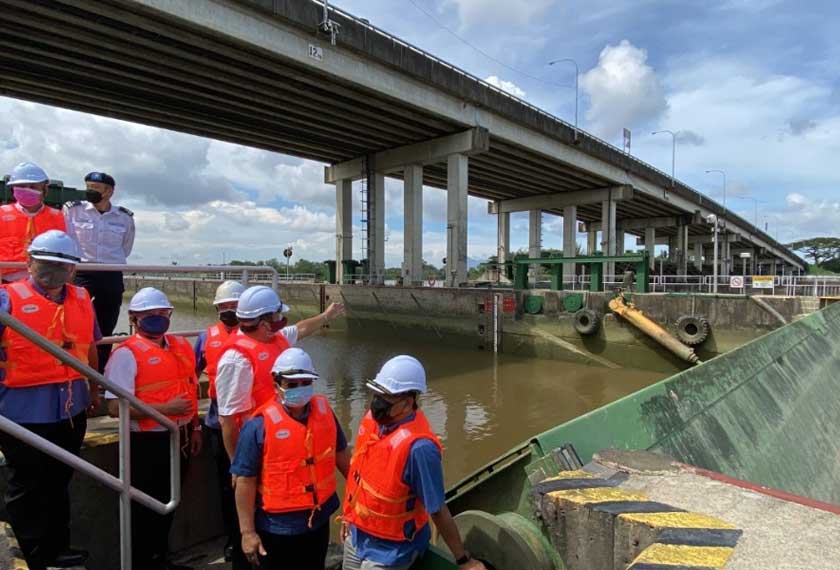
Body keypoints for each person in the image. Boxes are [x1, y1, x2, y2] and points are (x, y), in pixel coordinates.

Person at [215, 285, 344, 568]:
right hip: (257, 444)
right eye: (277, 317)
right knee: (254, 534)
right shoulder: (236, 359)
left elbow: (301, 328)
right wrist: (238, 466)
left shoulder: (276, 338)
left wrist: (327, 315)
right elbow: (228, 419)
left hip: (288, 442)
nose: (281, 322)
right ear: (262, 323)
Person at [0, 230, 99, 570]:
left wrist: (95, 390)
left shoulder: (83, 299)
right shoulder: (7, 299)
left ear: (73, 270)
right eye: (45, 264)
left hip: (71, 409)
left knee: (59, 480)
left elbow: (90, 348)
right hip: (21, 411)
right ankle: (32, 552)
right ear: (28, 262)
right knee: (27, 485)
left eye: (61, 266)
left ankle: (57, 546)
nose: (52, 272)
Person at [341, 356, 487, 570]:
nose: (377, 403)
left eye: (386, 398)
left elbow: (437, 509)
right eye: (377, 394)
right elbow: (359, 473)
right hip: (358, 534)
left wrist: (463, 560)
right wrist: (348, 514)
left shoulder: (419, 449)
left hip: (392, 549)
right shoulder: (375, 422)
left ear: (408, 402)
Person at [104, 287, 202, 570]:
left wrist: (194, 427)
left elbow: (190, 390)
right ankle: (143, 563)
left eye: (163, 313)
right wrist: (165, 410)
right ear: (134, 318)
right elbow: (114, 408)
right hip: (146, 442)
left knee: (169, 502)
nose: (158, 319)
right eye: (150, 314)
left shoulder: (180, 346)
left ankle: (160, 559)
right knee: (145, 507)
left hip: (180, 437)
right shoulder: (126, 355)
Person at [232, 348, 350, 569]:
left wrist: (355, 504)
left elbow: (343, 458)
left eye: (305, 383)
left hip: (319, 520)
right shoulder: (258, 426)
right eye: (292, 384)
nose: (300, 389)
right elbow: (244, 482)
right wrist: (247, 533)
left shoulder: (325, 413)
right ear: (277, 385)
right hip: (277, 528)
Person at [192, 280, 246, 564]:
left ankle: (253, 535)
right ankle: (233, 541)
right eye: (224, 307)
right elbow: (191, 376)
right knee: (227, 488)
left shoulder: (255, 335)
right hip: (216, 422)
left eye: (234, 307)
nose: (228, 311)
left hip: (249, 423)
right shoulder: (206, 337)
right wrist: (195, 423)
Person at [64, 171, 135, 372]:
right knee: (76, 321)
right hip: (82, 272)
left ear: (109, 192)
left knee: (106, 325)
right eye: (88, 187)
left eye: (95, 188)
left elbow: (126, 246)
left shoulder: (124, 217)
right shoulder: (73, 211)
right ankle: (75, 367)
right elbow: (67, 238)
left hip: (111, 273)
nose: (90, 192)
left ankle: (100, 371)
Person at [0, 162, 66, 283]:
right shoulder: (1, 214)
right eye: (22, 186)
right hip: (6, 282)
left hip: (46, 282)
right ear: (12, 189)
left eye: (33, 187)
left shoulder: (59, 217)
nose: (27, 190)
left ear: (44, 189)